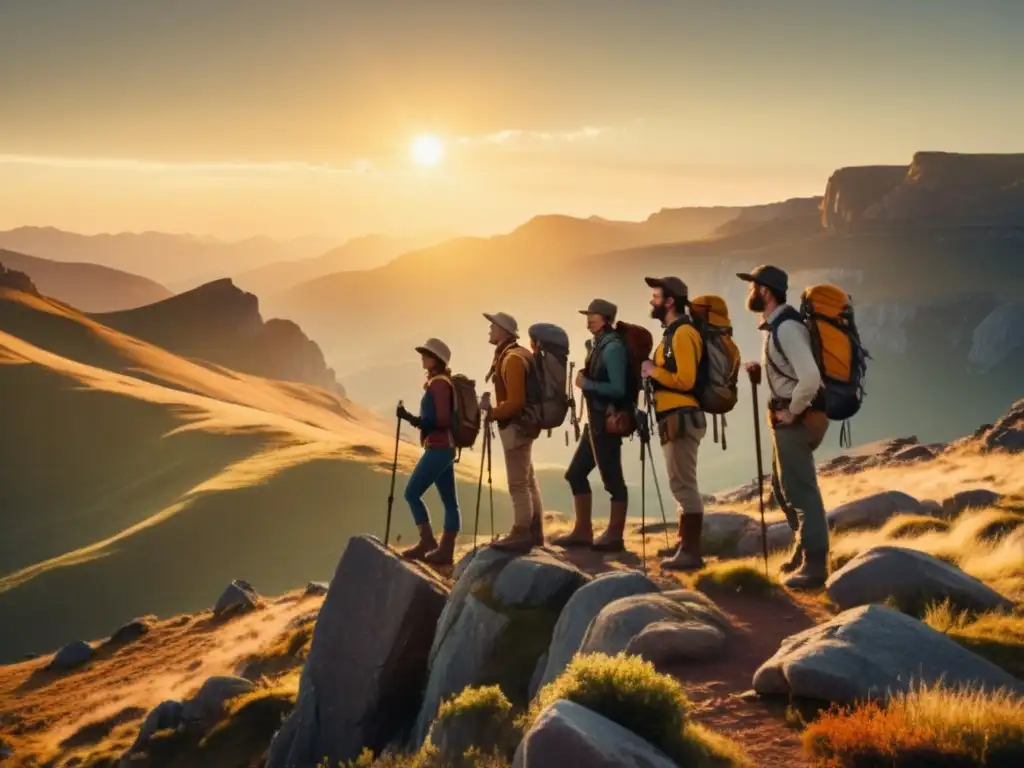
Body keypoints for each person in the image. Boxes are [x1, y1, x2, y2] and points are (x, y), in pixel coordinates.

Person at [738, 264, 830, 589]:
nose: (749, 292)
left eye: (752, 286)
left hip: (799, 419)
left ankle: (815, 565)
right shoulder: (777, 327)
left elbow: (810, 377)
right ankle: (802, 549)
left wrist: (792, 411)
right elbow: (791, 373)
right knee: (782, 486)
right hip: (789, 417)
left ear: (765, 291)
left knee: (801, 491)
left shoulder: (787, 329)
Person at [640, 276, 708, 571]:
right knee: (679, 483)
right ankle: (684, 545)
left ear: (669, 301)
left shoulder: (682, 334)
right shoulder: (672, 332)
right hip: (674, 417)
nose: (652, 301)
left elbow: (686, 379)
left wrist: (654, 371)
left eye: (656, 296)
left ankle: (691, 553)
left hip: (681, 417)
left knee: (683, 484)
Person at [552, 299, 630, 552]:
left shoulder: (613, 348)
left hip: (606, 423)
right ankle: (583, 532)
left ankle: (615, 536)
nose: (589, 318)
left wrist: (588, 385)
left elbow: (619, 389)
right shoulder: (599, 344)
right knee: (575, 474)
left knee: (613, 481)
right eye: (588, 314)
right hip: (595, 423)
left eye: (594, 315)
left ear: (607, 318)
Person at [479, 312, 544, 553]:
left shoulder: (512, 359)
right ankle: (535, 531)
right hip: (525, 426)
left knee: (517, 484)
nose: (489, 330)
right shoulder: (516, 355)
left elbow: (516, 402)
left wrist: (493, 412)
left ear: (504, 331)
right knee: (527, 480)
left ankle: (521, 532)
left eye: (493, 326)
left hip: (516, 427)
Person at [395, 338, 461, 565]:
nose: (422, 358)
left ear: (436, 360)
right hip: (445, 447)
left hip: (439, 448)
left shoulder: (439, 384)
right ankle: (445, 550)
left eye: (426, 355)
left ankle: (428, 542)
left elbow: (439, 419)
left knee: (411, 493)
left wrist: (411, 418)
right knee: (450, 502)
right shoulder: (441, 382)